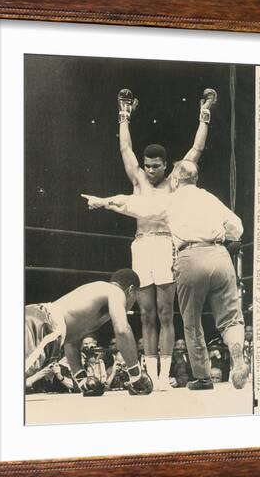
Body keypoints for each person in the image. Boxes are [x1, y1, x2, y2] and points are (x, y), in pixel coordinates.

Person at [81, 159, 249, 390]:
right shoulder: (210, 198)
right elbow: (238, 227)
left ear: (177, 179)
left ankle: (203, 377)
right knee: (230, 317)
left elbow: (132, 204)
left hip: (190, 256)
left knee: (191, 322)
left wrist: (104, 202)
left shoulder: (170, 201)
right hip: (220, 255)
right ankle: (237, 351)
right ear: (195, 179)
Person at [115, 88, 218, 390]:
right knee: (146, 314)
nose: (149, 171)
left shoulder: (175, 181)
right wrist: (124, 115)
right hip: (141, 246)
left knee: (164, 313)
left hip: (164, 245)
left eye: (155, 166)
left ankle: (163, 377)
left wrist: (205, 113)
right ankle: (149, 375)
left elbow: (196, 150)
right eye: (146, 166)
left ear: (165, 165)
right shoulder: (138, 179)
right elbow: (124, 148)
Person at [25, 269, 153, 396]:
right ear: (131, 290)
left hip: (38, 318)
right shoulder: (116, 292)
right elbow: (122, 330)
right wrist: (136, 374)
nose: (131, 304)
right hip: (44, 325)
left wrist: (81, 379)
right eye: (135, 298)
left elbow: (72, 340)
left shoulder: (96, 293)